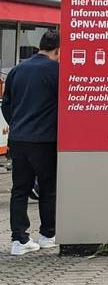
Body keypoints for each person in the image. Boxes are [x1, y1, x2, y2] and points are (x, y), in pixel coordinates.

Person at [3, 30, 60, 256]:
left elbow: (6, 104)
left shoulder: (18, 70)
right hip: (45, 139)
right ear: (58, 50)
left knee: (20, 189)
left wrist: (16, 124)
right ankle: (47, 235)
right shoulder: (57, 71)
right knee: (48, 188)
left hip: (18, 139)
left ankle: (19, 240)